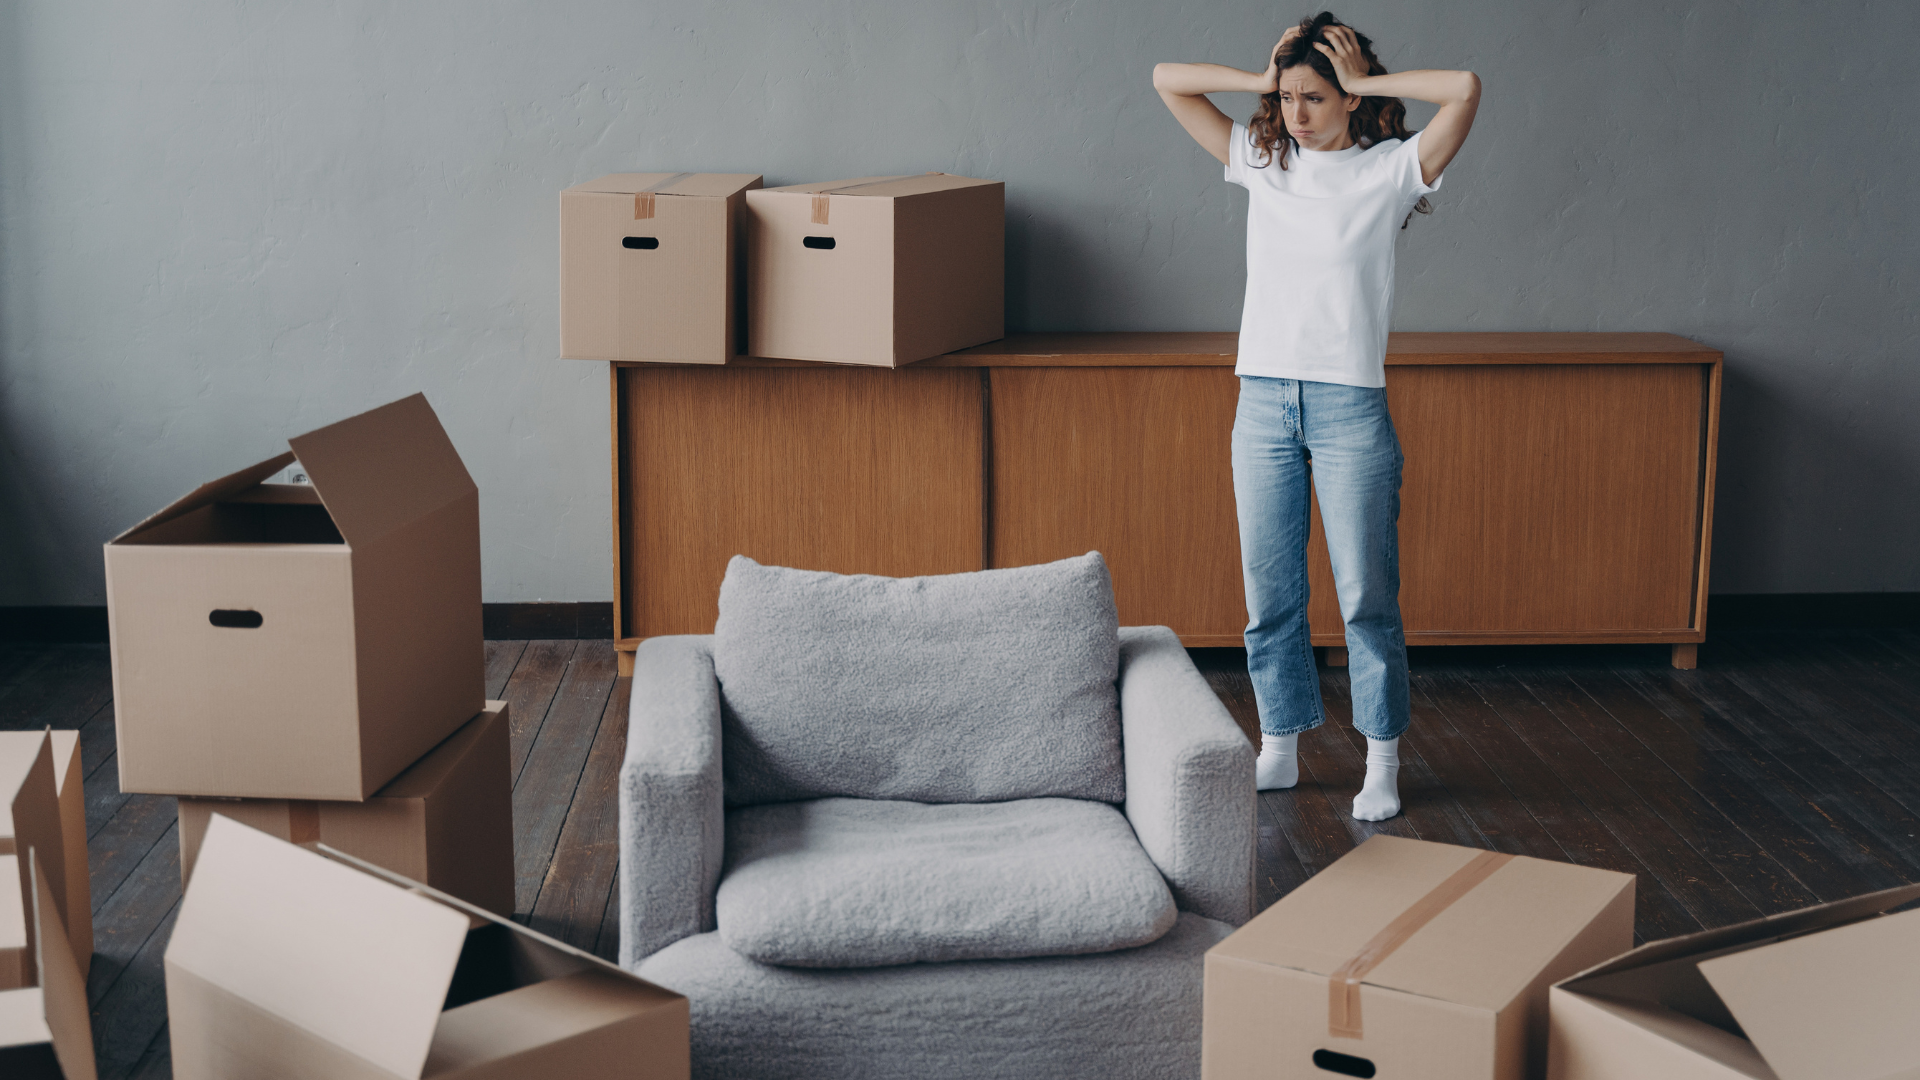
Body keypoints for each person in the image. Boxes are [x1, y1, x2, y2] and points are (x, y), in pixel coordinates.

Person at [1152, 13, 1480, 821]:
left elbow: (1465, 91)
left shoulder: (1393, 168)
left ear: (1349, 99)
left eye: (1315, 97)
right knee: (1271, 593)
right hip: (1261, 399)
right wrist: (1260, 78)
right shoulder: (1265, 163)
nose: (1296, 113)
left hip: (1347, 407)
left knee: (1367, 593)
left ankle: (1382, 760)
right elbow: (1168, 79)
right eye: (1289, 97)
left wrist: (1366, 81)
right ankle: (1282, 746)